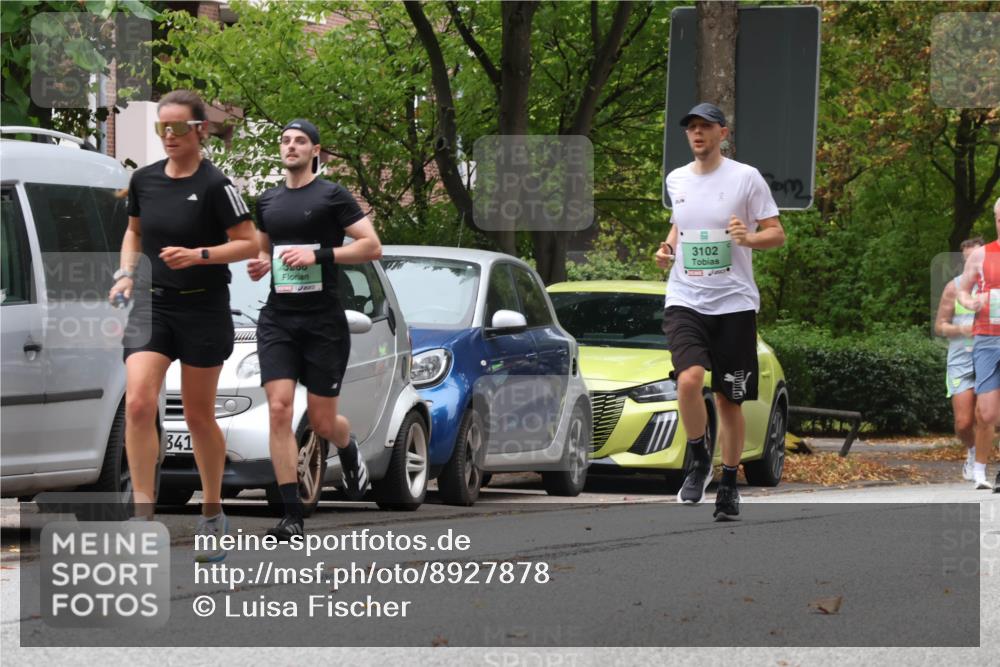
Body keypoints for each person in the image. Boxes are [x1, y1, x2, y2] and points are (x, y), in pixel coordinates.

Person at [109, 90, 258, 559]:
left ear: (201, 130)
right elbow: (134, 231)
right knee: (137, 404)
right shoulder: (145, 180)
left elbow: (249, 243)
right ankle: (142, 519)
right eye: (161, 129)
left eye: (177, 128)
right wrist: (126, 273)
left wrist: (200, 256)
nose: (169, 137)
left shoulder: (217, 186)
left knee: (197, 416)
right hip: (152, 305)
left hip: (202, 306)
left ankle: (212, 511)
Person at [247, 119, 383, 539]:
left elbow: (370, 245)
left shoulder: (332, 196)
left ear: (315, 152)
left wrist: (319, 256)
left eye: (300, 141)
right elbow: (263, 249)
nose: (290, 147)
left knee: (323, 423)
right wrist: (259, 263)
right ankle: (291, 514)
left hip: (323, 321)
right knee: (279, 409)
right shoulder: (267, 200)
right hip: (278, 319)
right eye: (285, 141)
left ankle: (348, 445)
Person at [654, 103, 785, 520]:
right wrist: (669, 247)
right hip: (686, 297)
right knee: (689, 380)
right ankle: (697, 459)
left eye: (705, 128)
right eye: (691, 128)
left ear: (722, 134)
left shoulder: (745, 178)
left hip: (733, 304)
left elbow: (777, 234)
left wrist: (748, 238)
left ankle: (729, 483)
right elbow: (681, 223)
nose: (697, 134)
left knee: (730, 401)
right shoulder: (676, 179)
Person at [935, 237, 992, 482]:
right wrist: (961, 330)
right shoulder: (954, 288)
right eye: (968, 259)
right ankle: (971, 450)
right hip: (960, 360)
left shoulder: (994, 285)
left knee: (986, 415)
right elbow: (940, 326)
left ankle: (981, 462)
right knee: (963, 422)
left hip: (988, 356)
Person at [957, 196, 1000, 492]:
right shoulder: (982, 255)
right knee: (986, 413)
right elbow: (963, 290)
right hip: (987, 337)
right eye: (999, 219)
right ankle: (981, 470)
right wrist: (972, 301)